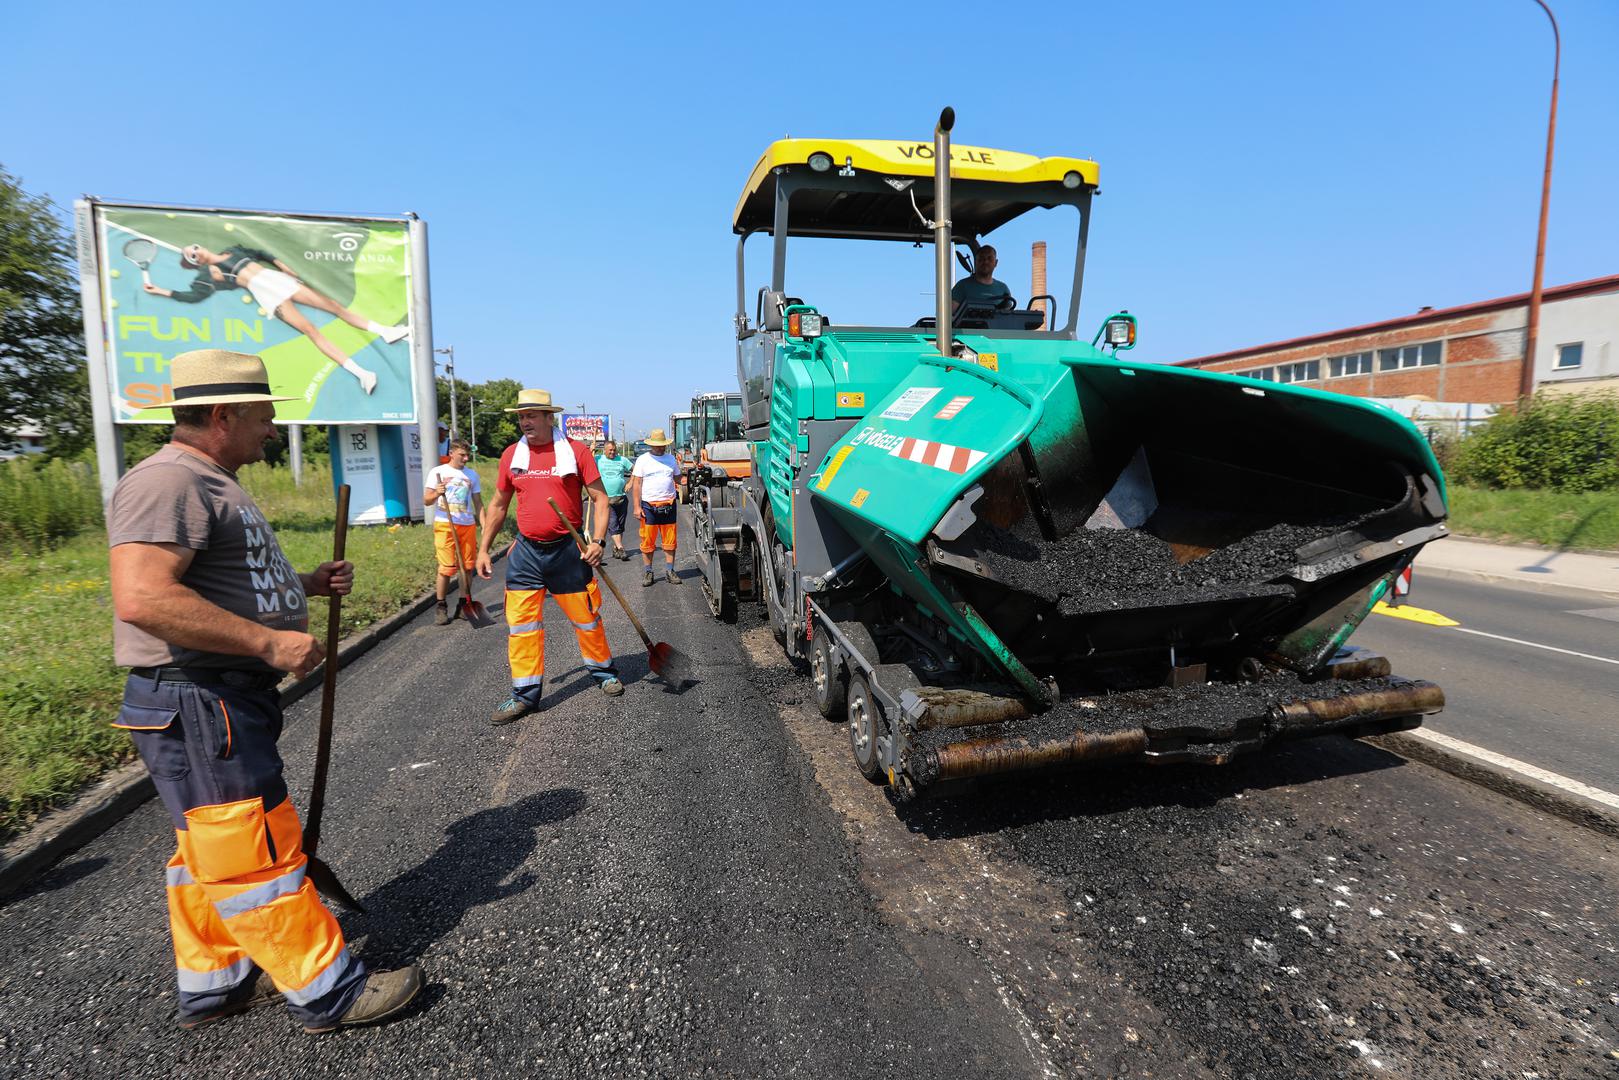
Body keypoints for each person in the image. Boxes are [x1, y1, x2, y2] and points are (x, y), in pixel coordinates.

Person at [106, 348, 421, 1034]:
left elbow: (218, 578)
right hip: (198, 698)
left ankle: (218, 983)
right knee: (254, 854)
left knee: (211, 851)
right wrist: (270, 643)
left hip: (214, 699)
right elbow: (142, 596)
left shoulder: (208, 479)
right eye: (264, 417)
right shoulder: (168, 482)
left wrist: (302, 586)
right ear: (223, 415)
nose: (272, 431)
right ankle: (329, 992)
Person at [475, 388, 623, 725]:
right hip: (526, 553)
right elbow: (498, 505)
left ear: (548, 418)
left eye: (531, 415)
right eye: (521, 416)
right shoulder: (512, 455)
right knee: (522, 626)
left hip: (567, 551)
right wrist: (484, 548)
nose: (524, 422)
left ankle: (604, 673)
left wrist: (598, 541)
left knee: (587, 618)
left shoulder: (575, 451)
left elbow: (599, 499)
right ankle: (524, 696)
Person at [144, 242, 409, 395]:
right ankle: (361, 373)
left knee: (334, 306)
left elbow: (261, 252)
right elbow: (193, 296)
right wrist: (161, 291)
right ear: (193, 262)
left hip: (277, 280)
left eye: (195, 248)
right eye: (191, 255)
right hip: (266, 294)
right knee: (311, 331)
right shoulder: (208, 275)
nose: (196, 252)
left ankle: (385, 331)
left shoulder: (233, 249)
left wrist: (284, 267)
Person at [424, 439, 483, 625]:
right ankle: (441, 606)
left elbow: (478, 503)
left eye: (467, 455)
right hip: (445, 524)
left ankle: (462, 605)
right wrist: (436, 493)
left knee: (467, 567)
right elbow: (426, 500)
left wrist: (486, 525)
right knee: (446, 568)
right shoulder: (438, 472)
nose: (465, 459)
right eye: (462, 455)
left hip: (467, 525)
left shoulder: (472, 475)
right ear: (451, 453)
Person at [629, 428, 683, 587]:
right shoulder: (643, 460)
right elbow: (637, 484)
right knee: (647, 541)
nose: (661, 448)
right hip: (649, 507)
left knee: (670, 541)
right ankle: (648, 571)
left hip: (669, 505)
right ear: (652, 445)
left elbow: (678, 477)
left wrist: (689, 476)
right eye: (658, 445)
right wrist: (636, 507)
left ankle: (670, 570)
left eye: (662, 445)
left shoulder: (671, 459)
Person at [595, 440, 635, 561]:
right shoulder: (598, 459)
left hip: (621, 497)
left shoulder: (622, 460)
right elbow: (585, 462)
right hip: (606, 498)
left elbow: (636, 469)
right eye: (610, 450)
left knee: (620, 526)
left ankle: (616, 548)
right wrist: (590, 449)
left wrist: (630, 482)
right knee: (613, 525)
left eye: (614, 450)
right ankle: (621, 548)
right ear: (604, 450)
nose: (612, 452)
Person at [950, 241, 1013, 311]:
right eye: (981, 258)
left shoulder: (1003, 289)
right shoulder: (962, 286)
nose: (985, 261)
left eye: (989, 258)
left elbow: (1008, 316)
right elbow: (950, 315)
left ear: (996, 262)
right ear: (975, 262)